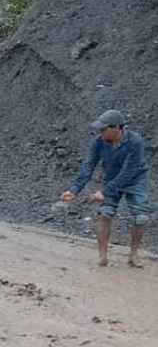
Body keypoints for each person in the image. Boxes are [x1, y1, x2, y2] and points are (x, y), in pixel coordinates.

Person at [61, 109, 149, 268]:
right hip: (111, 178)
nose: (100, 132)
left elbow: (128, 172)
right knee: (104, 214)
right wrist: (74, 189)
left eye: (103, 129)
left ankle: (134, 254)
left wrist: (104, 191)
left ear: (117, 128)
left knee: (141, 217)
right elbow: (89, 165)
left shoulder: (135, 142)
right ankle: (102, 256)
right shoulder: (98, 142)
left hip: (135, 180)